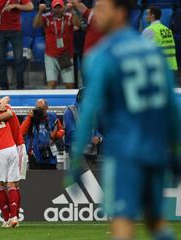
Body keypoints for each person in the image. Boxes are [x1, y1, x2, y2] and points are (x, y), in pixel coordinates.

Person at [71, 0, 179, 239]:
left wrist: (77, 156)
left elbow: (87, 110)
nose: (97, 13)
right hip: (155, 151)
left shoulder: (102, 55)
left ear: (120, 12)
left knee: (122, 226)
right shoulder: (153, 52)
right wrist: (176, 150)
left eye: (102, 7)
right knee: (156, 222)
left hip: (125, 152)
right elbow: (172, 106)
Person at [33, 0, 81, 89]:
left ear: (63, 8)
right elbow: (35, 25)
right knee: (51, 84)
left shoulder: (69, 16)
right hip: (51, 55)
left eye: (60, 7)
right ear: (52, 8)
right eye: (56, 7)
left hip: (66, 55)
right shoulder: (47, 17)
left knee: (69, 85)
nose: (58, 10)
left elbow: (78, 25)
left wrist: (73, 11)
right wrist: (40, 11)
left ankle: (70, 103)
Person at [0, 0, 34, 90]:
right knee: (1, 60)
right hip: (0, 30)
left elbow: (30, 6)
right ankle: (4, 86)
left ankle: (20, 86)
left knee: (19, 59)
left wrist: (16, 5)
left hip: (15, 30)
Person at [20, 99, 64, 169]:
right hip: (34, 154)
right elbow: (21, 132)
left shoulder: (52, 117)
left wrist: (56, 134)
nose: (40, 110)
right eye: (38, 108)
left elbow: (61, 130)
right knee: (36, 178)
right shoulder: (30, 118)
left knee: (51, 177)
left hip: (50, 152)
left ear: (47, 107)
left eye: (42, 108)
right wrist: (29, 117)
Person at [63, 88, 102, 166]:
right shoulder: (70, 111)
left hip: (91, 153)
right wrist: (90, 139)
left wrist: (99, 138)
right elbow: (71, 132)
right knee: (85, 177)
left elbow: (96, 130)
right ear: (81, 97)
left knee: (91, 178)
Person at [142, 6, 178, 72]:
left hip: (161, 68)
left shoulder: (149, 30)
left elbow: (141, 51)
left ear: (152, 15)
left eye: (147, 14)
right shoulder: (168, 30)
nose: (146, 16)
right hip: (172, 67)